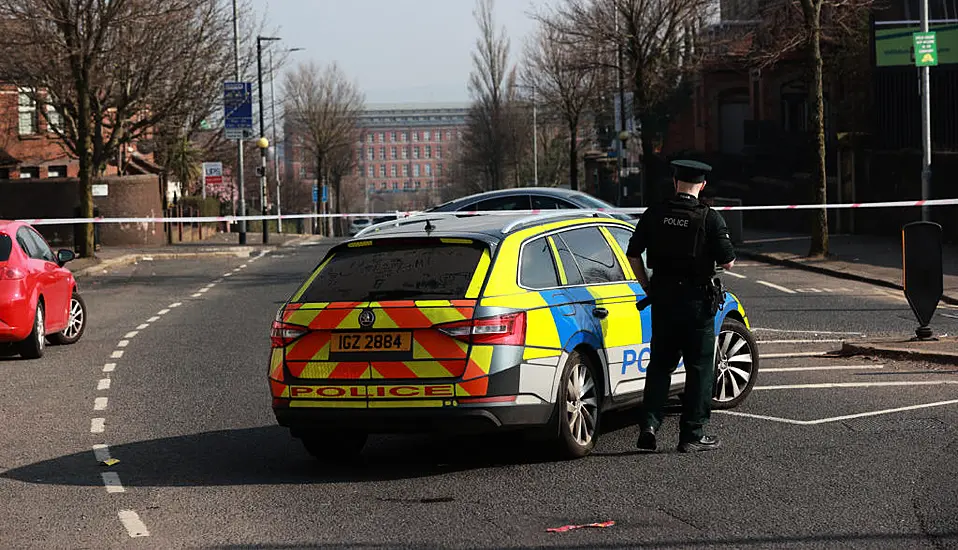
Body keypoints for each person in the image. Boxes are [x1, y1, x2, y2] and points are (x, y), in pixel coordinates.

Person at [625, 159, 736, 453]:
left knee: (660, 365)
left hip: (662, 300)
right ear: (703, 185)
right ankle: (692, 434)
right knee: (699, 368)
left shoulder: (655, 213)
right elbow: (727, 260)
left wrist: (647, 286)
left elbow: (633, 253)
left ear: (675, 183)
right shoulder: (709, 218)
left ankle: (649, 425)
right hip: (697, 303)